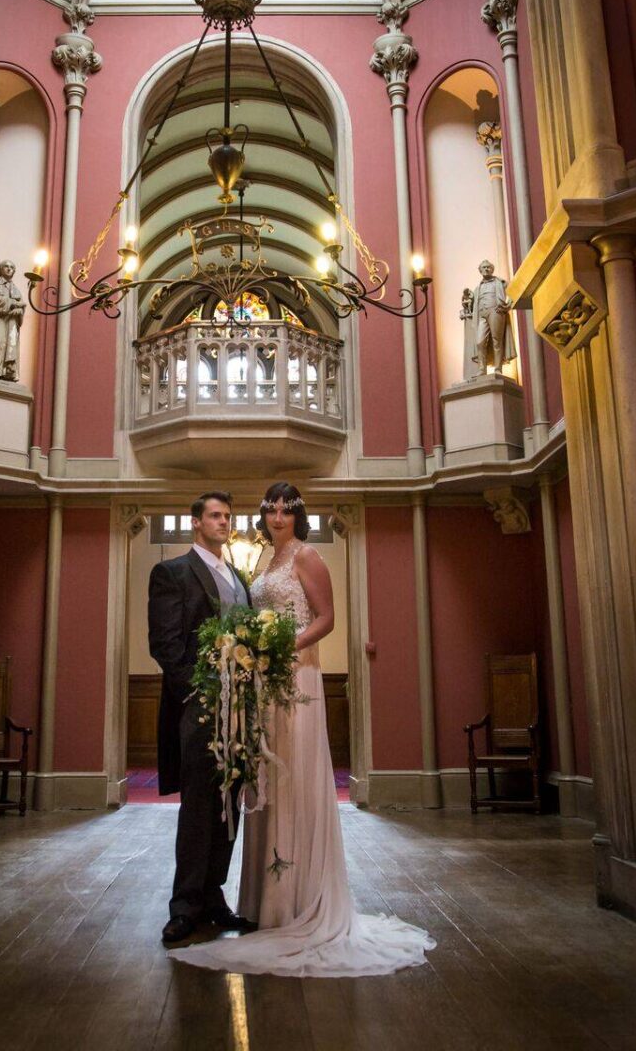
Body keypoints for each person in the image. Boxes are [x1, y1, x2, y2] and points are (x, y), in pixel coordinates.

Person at [169, 482, 436, 977]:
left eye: (285, 509)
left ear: (298, 514)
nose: (275, 516)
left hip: (298, 677)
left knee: (296, 776)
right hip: (264, 683)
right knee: (268, 781)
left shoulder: (308, 557)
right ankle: (267, 903)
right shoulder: (262, 564)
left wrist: (281, 648)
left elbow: (328, 618)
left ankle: (300, 902)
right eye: (268, 508)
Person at [149, 491, 254, 945]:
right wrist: (196, 693)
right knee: (197, 807)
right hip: (200, 706)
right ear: (196, 523)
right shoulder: (172, 572)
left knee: (228, 804)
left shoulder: (236, 576)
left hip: (240, 710)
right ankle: (185, 905)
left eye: (227, 517)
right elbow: (166, 644)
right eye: (215, 516)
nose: (223, 523)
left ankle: (214, 898)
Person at [470, 259, 516, 375]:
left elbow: (513, 291)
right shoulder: (477, 288)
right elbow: (472, 304)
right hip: (482, 315)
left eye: (488, 267)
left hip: (495, 311)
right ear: (480, 271)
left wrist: (507, 306)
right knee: (480, 342)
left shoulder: (499, 282)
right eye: (484, 267)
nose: (486, 269)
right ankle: (482, 368)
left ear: (492, 270)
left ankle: (498, 368)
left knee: (497, 341)